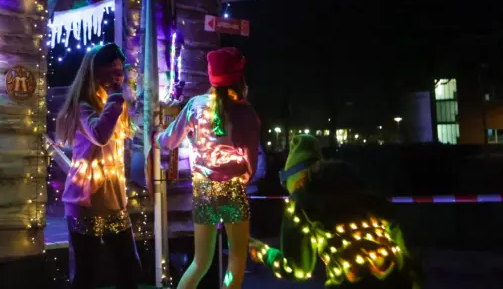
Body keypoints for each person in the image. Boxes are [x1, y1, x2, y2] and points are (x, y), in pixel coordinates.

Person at [249, 134, 423, 288]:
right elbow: (406, 248)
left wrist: (263, 253)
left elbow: (296, 269)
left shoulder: (301, 202)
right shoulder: (362, 193)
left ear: (296, 179)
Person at [155, 47, 261, 289]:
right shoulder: (246, 112)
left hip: (204, 190)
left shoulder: (196, 105)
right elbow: (252, 163)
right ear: (239, 77)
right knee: (236, 258)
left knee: (200, 262)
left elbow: (169, 140)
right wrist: (242, 177)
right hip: (233, 190)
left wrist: (155, 138)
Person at [57, 43, 142, 289]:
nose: (118, 76)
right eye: (112, 70)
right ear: (95, 72)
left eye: (120, 70)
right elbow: (100, 134)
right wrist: (115, 98)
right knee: (87, 275)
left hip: (114, 202)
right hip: (86, 203)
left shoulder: (113, 103)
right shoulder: (84, 106)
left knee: (130, 269)